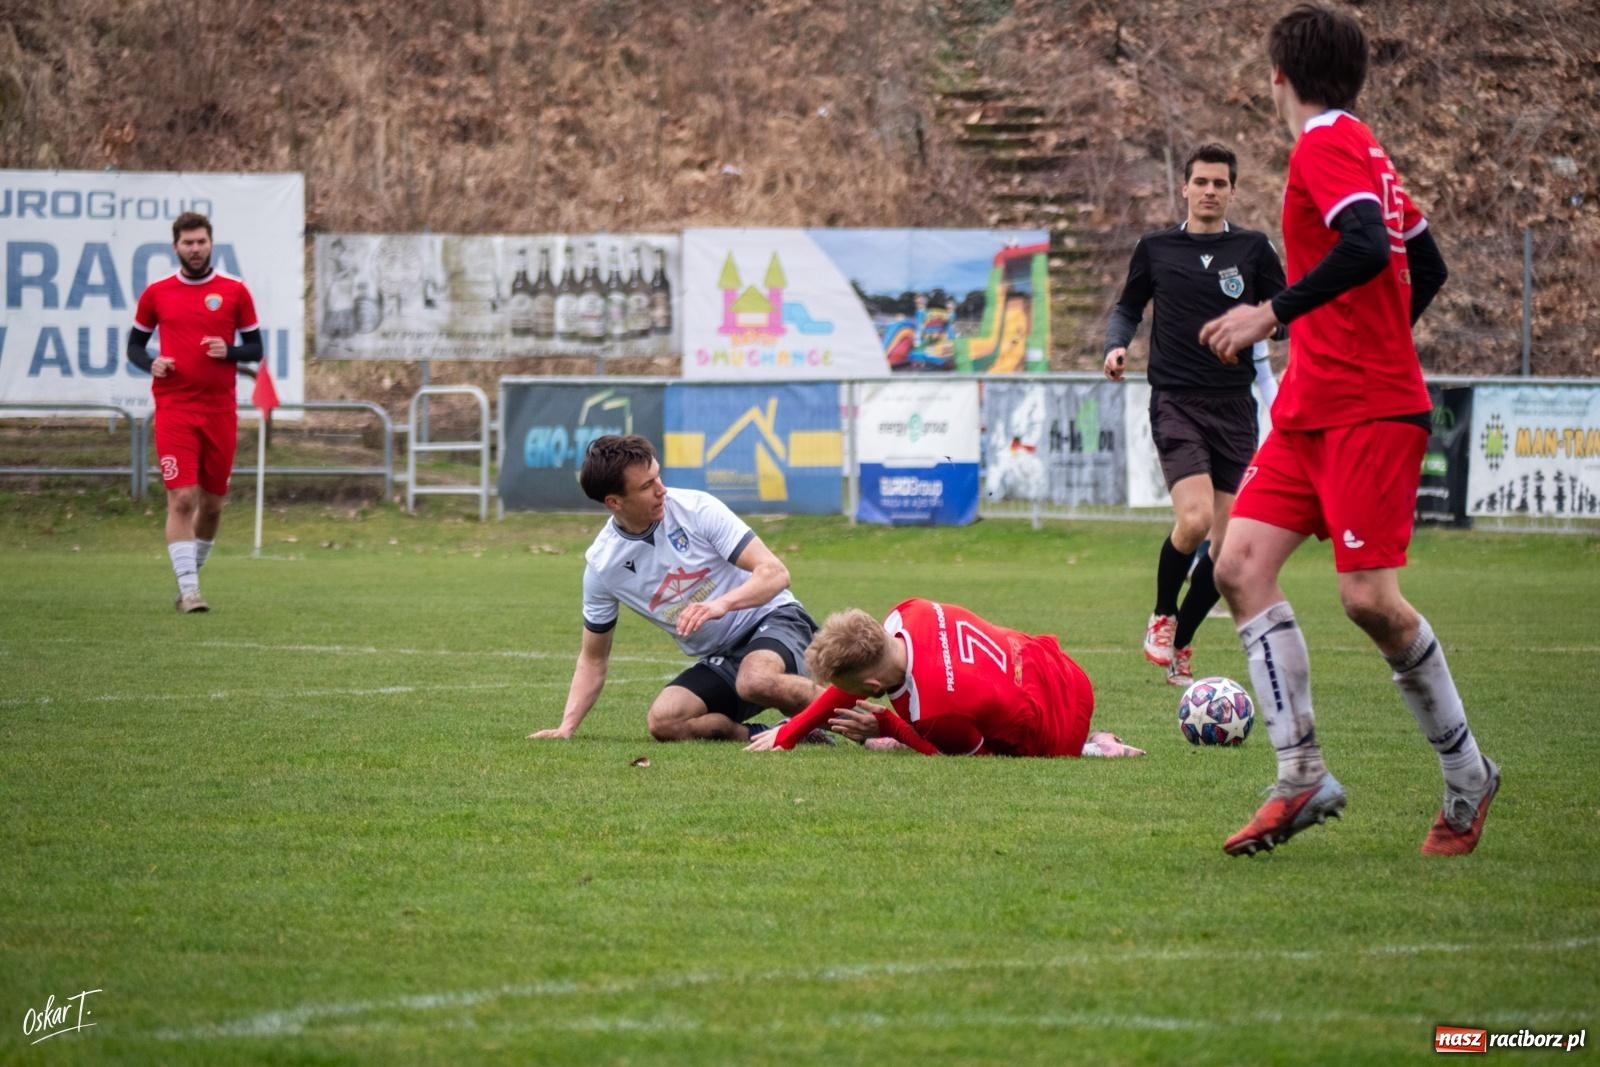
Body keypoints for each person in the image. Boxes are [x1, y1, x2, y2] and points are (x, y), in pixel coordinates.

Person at [1198, 3, 1496, 857]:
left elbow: (1367, 244)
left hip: (1365, 408)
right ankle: (1300, 774)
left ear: (1278, 77)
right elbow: (1423, 263)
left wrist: (1273, 314)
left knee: (1368, 598)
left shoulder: (1327, 143)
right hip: (1313, 407)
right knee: (1239, 564)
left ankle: (1469, 773)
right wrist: (1346, 339)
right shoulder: (1368, 151)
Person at [1103, 143, 1286, 687]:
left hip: (1236, 409)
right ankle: (1162, 614)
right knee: (1195, 520)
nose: (1210, 191)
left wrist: (1273, 329)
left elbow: (1286, 316)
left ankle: (1181, 643)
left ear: (1232, 190)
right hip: (1177, 401)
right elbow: (1128, 306)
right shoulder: (1156, 248)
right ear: (1184, 188)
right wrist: (1117, 346)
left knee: (1228, 553)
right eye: (1201, 182)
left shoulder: (1254, 250)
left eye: (1220, 183)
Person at [528, 434, 825, 743]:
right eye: (646, 486)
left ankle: (868, 724)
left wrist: (720, 605)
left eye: (657, 476)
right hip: (722, 655)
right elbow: (593, 658)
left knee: (756, 679)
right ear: (614, 502)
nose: (662, 490)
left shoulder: (697, 509)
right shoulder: (603, 567)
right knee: (666, 721)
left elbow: (775, 573)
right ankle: (771, 735)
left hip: (775, 620)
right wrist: (566, 727)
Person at [746, 599, 1144, 758]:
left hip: (1056, 726)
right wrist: (792, 731)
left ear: (870, 688)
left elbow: (968, 759)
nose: (840, 695)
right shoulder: (906, 613)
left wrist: (891, 725)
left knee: (897, 743)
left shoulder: (931, 711)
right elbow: (849, 682)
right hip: (1058, 665)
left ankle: (1097, 748)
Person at [126, 212, 264, 613]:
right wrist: (150, 361)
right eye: (188, 243)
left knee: (214, 504)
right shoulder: (157, 292)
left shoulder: (235, 291)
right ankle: (189, 591)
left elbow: (255, 348)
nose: (195, 249)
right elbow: (134, 346)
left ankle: (193, 576)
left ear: (211, 243)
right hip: (174, 409)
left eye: (201, 241)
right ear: (176, 247)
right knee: (182, 498)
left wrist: (230, 351)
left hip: (220, 411)